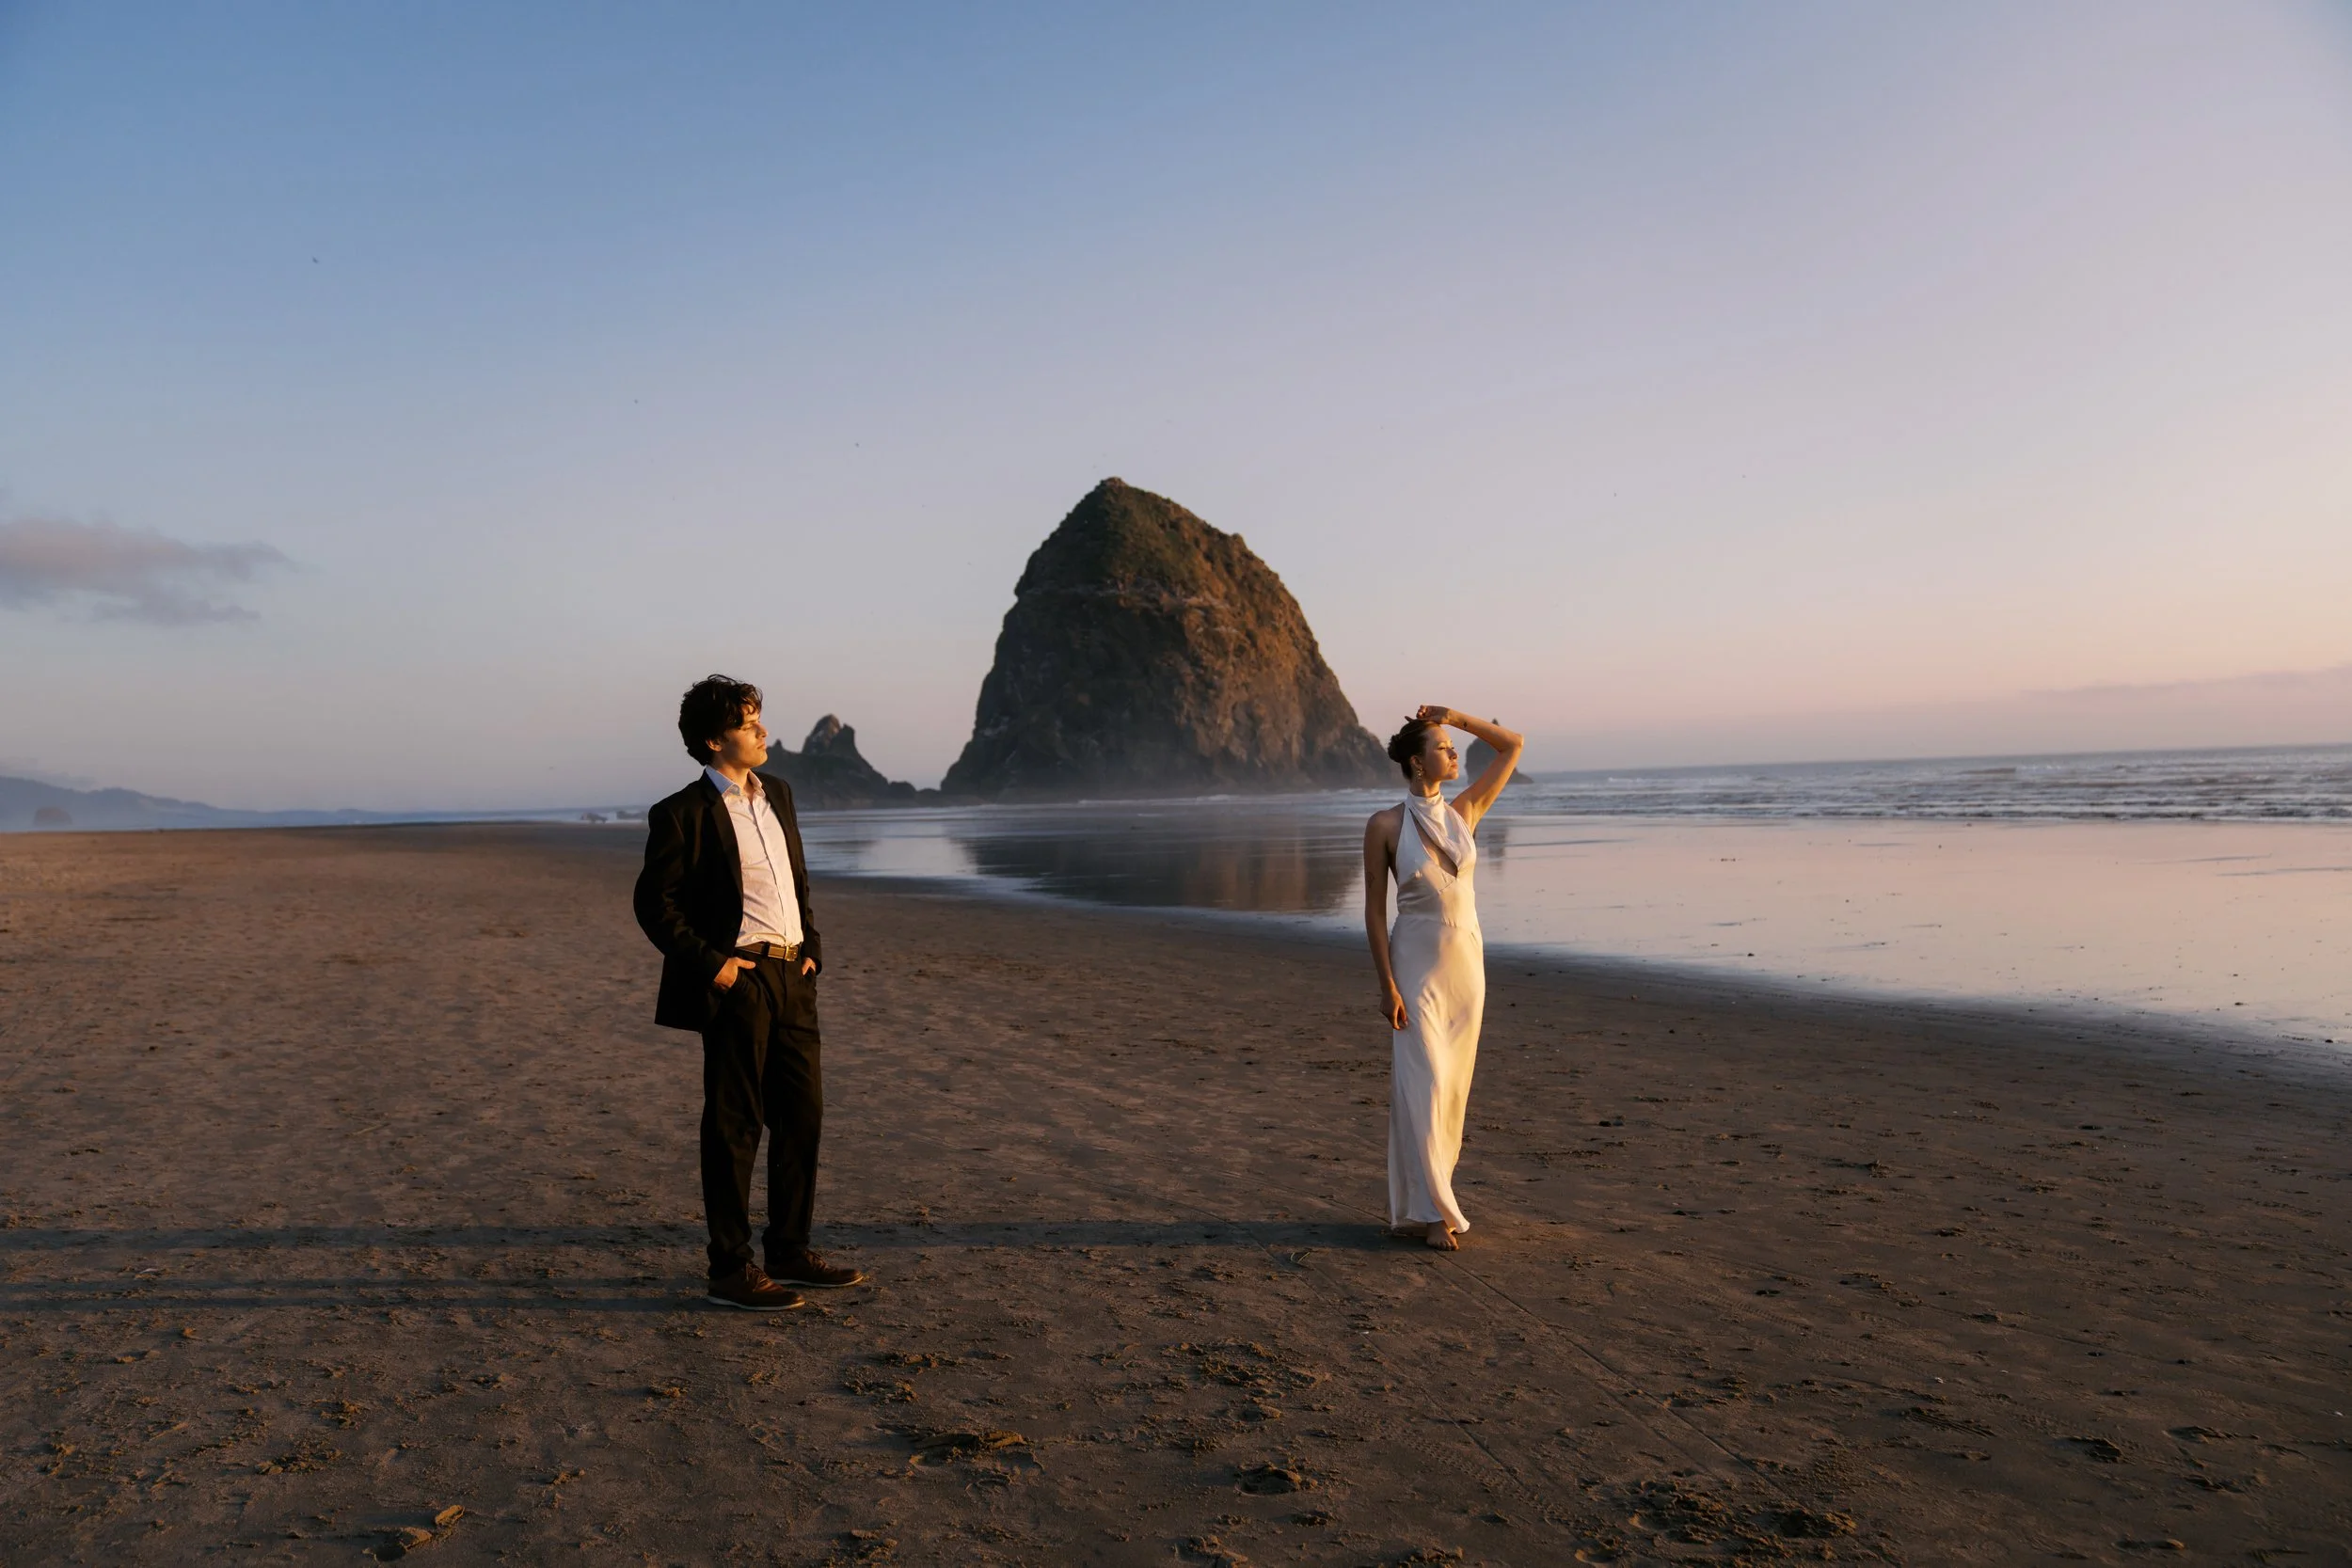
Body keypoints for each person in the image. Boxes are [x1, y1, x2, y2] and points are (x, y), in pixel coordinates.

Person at [634, 674, 866, 1310]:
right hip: (740, 982)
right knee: (735, 1125)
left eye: (760, 718)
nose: (762, 731)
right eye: (748, 722)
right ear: (715, 739)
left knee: (802, 1117)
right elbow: (654, 904)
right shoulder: (682, 812)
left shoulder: (779, 796)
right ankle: (729, 1267)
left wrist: (812, 946)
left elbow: (796, 881)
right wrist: (715, 965)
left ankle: (788, 1250)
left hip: (795, 977)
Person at [1362, 705, 1523, 1250]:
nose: (1453, 753)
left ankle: (1430, 1201)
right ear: (1416, 762)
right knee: (1423, 1083)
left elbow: (1512, 745)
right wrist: (1386, 985)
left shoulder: (1465, 812)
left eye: (1453, 748)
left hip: (1466, 966)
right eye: (1442, 746)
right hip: (1414, 966)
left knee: (1451, 1091)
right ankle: (1434, 1215)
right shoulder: (1384, 826)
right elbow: (1374, 912)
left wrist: (1454, 716)